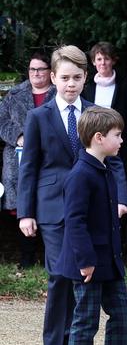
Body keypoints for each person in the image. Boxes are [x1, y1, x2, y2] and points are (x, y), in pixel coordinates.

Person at [17, 45, 127, 345]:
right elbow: (29, 166)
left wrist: (119, 198)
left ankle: (79, 343)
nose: (70, 84)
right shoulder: (37, 116)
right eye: (64, 77)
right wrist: (25, 213)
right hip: (52, 209)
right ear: (52, 78)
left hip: (93, 209)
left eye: (77, 78)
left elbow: (114, 160)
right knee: (61, 277)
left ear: (86, 78)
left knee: (86, 277)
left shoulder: (96, 114)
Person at [57, 106, 127, 345]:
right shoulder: (80, 175)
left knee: (121, 313)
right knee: (86, 321)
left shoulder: (105, 168)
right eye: (117, 135)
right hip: (87, 263)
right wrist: (86, 261)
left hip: (109, 261)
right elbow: (75, 222)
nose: (121, 140)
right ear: (99, 137)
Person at [0, 51, 55, 268]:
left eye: (41, 69)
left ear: (50, 71)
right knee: (22, 206)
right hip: (17, 159)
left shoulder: (58, 93)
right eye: (32, 69)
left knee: (47, 203)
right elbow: (1, 121)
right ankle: (27, 258)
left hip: (50, 158)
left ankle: (49, 258)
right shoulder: (14, 94)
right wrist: (18, 136)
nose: (36, 73)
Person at [83, 42, 127, 210]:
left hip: (121, 149)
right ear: (93, 62)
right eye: (99, 59)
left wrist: (125, 141)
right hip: (93, 149)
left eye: (106, 59)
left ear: (113, 61)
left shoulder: (125, 86)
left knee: (122, 195)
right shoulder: (87, 89)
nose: (102, 63)